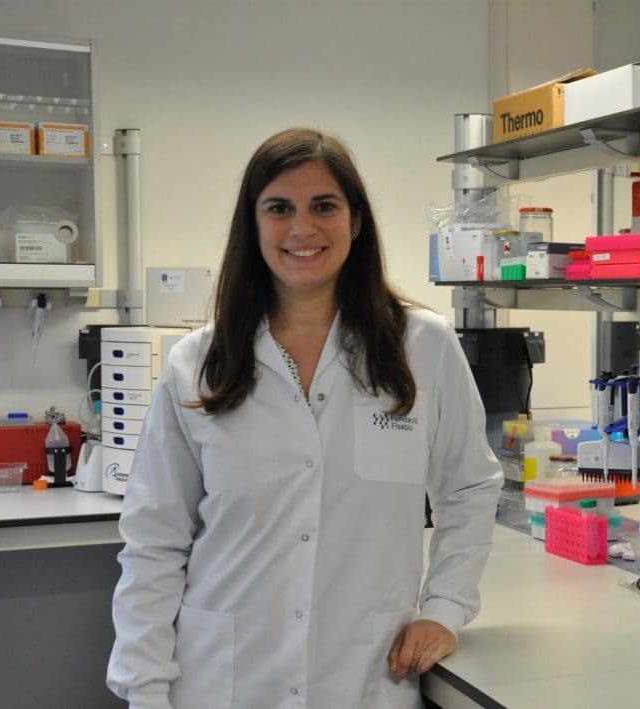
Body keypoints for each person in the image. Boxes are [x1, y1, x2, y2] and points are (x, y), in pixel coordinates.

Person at [107, 127, 503, 708]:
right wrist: (145, 691)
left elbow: (469, 488)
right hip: (225, 681)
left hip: (364, 676)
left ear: (356, 221)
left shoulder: (424, 347)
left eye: (324, 206)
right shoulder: (198, 362)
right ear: (253, 224)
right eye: (278, 208)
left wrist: (445, 608)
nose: (302, 228)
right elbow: (154, 540)